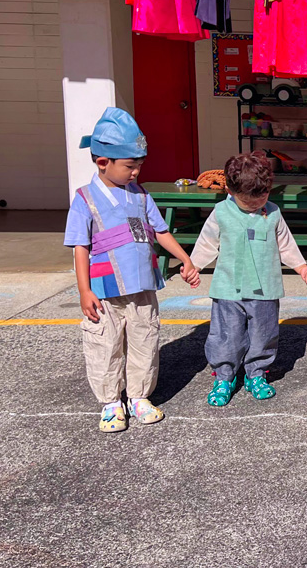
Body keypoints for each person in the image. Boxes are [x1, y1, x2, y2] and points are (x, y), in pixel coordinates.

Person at [64, 107, 200, 433]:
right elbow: (80, 247)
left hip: (142, 287)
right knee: (105, 344)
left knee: (145, 340)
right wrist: (84, 291)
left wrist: (186, 258)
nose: (136, 172)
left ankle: (139, 396)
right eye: (129, 166)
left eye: (139, 165)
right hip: (104, 292)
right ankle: (111, 402)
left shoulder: (140, 196)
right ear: (102, 163)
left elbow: (161, 231)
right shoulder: (85, 200)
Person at [188, 151, 307, 407]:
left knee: (264, 333)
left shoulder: (274, 213)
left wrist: (301, 267)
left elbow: (285, 244)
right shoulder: (221, 212)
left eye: (263, 196)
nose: (257, 204)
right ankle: (224, 376)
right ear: (232, 192)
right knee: (226, 334)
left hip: (265, 288)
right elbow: (208, 242)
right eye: (249, 201)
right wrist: (194, 266)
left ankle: (257, 373)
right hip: (227, 288)